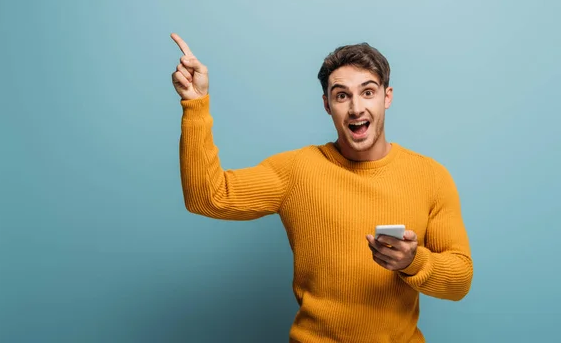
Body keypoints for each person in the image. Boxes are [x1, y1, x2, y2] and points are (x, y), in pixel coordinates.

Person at [170, 33, 473, 343]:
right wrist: (195, 105)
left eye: (368, 92)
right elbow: (206, 197)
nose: (356, 108)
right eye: (342, 96)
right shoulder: (297, 170)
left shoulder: (431, 176)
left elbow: (460, 281)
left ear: (387, 97)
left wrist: (412, 261)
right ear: (327, 104)